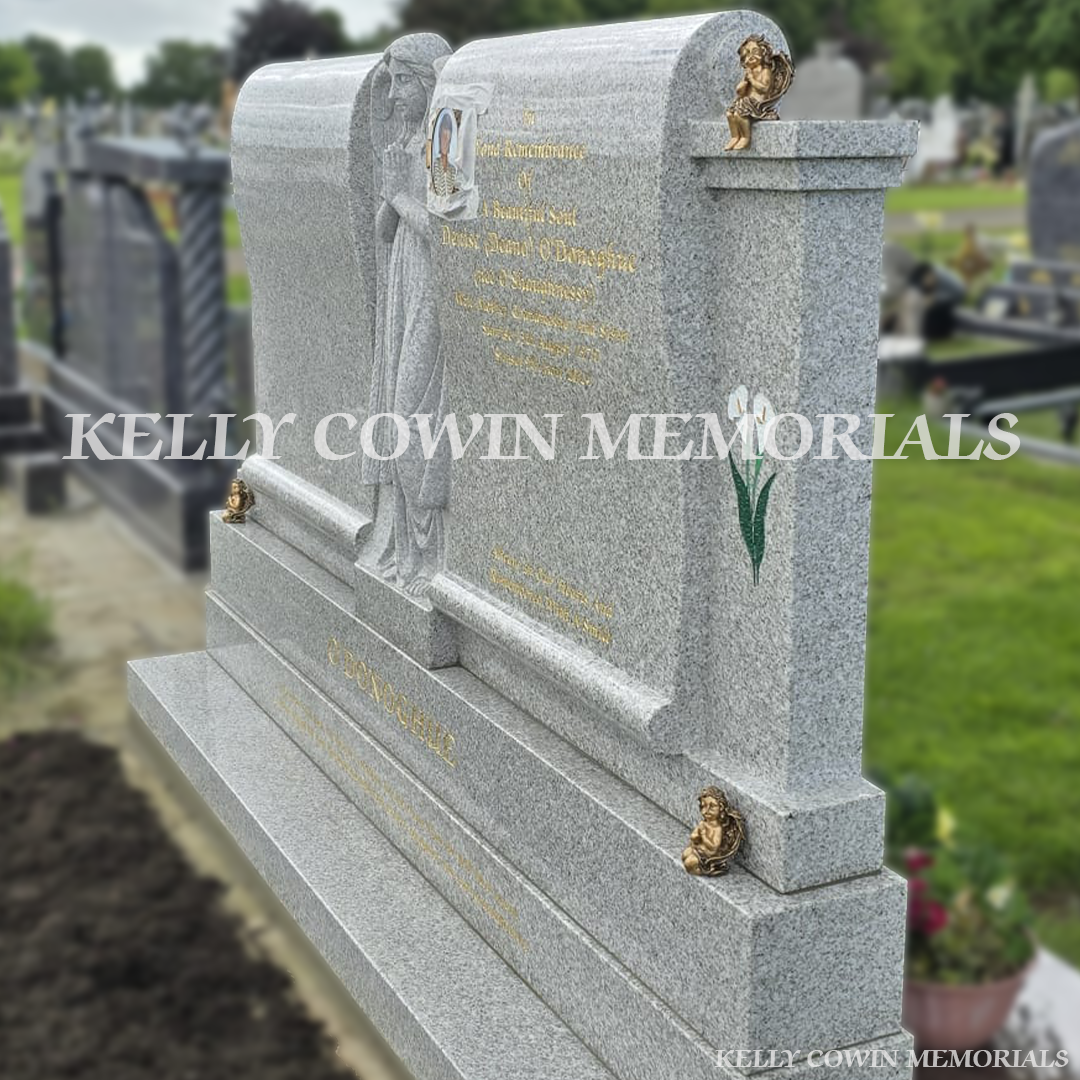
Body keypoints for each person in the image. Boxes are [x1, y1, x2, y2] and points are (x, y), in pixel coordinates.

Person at [363, 40, 450, 595]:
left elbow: (445, 234)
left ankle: (429, 554)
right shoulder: (402, 143)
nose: (394, 96)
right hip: (401, 280)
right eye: (390, 83)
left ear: (428, 82)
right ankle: (405, 552)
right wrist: (390, 200)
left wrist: (398, 195)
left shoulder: (444, 144)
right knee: (394, 410)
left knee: (412, 409)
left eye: (404, 82)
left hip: (429, 288)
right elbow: (383, 230)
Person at [724, 34, 793, 152]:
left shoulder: (766, 71)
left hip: (759, 104)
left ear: (764, 52)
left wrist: (752, 80)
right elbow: (740, 91)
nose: (751, 57)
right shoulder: (749, 73)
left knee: (740, 113)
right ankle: (735, 136)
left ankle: (745, 137)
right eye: (747, 55)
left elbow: (764, 88)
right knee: (730, 114)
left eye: (754, 51)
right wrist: (745, 81)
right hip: (748, 101)